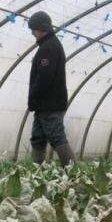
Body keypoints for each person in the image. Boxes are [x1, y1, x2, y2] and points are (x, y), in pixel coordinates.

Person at [27, 11, 75, 167]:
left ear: (40, 28)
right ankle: (36, 172)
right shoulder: (50, 45)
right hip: (45, 104)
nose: (32, 33)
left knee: (56, 137)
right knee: (38, 138)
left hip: (49, 104)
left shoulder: (48, 48)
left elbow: (44, 78)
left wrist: (33, 97)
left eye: (33, 29)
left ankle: (75, 174)